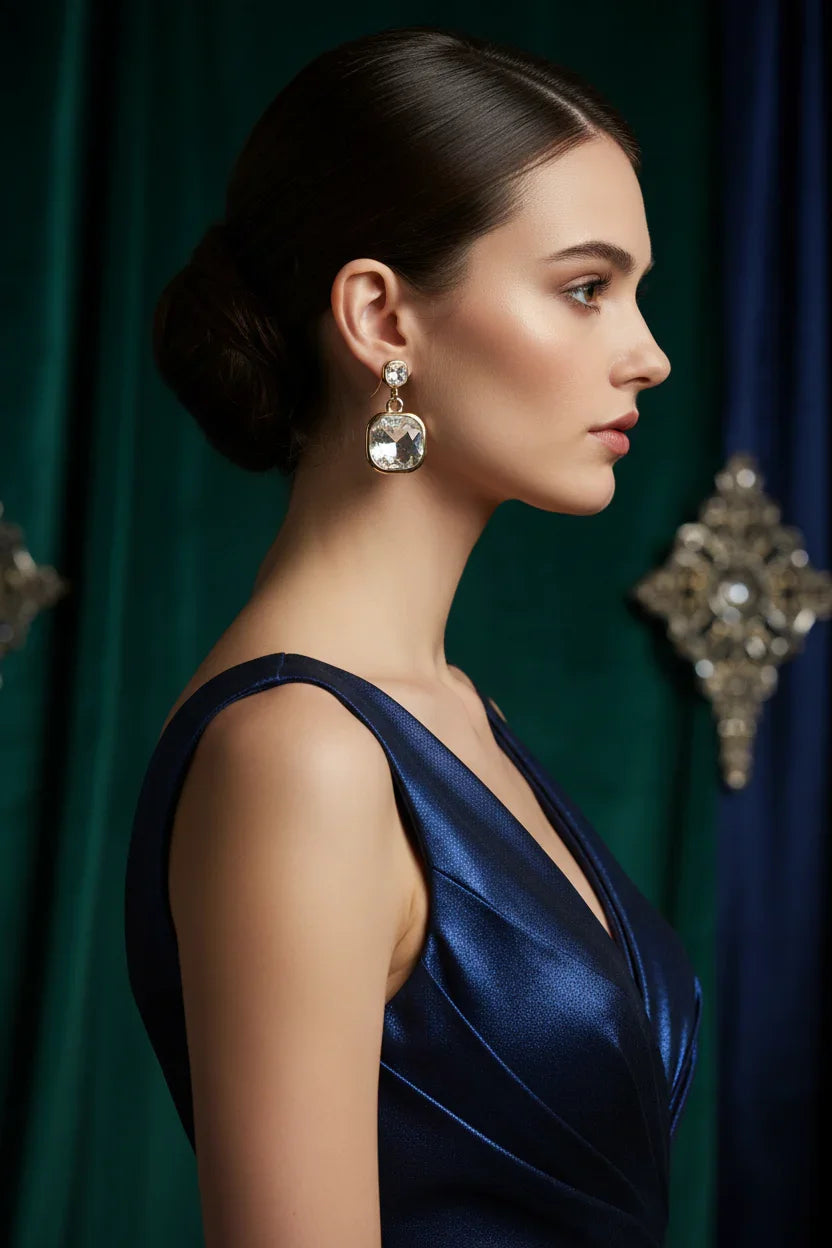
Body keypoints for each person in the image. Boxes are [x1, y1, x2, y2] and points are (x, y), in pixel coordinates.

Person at [124, 22, 701, 1247]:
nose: (648, 356)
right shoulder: (303, 755)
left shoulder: (453, 710)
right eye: (585, 289)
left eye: (635, 294)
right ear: (382, 319)